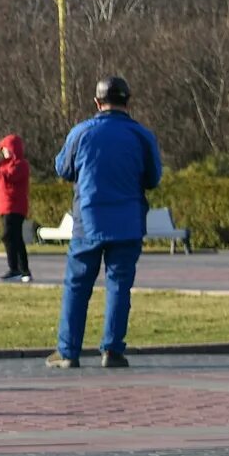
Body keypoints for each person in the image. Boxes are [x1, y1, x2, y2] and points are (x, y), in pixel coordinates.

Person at [50, 75, 164, 370]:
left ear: (97, 103)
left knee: (77, 286)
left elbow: (63, 169)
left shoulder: (81, 132)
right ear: (128, 102)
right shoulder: (142, 135)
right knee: (119, 286)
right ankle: (112, 350)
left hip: (88, 220)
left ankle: (68, 352)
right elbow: (153, 178)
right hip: (128, 222)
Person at [0, 133, 34, 284]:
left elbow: (5, 176)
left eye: (6, 149)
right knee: (13, 237)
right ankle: (20, 270)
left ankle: (17, 269)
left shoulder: (20, 165)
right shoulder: (5, 163)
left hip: (15, 206)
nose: (4, 152)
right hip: (5, 206)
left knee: (11, 236)